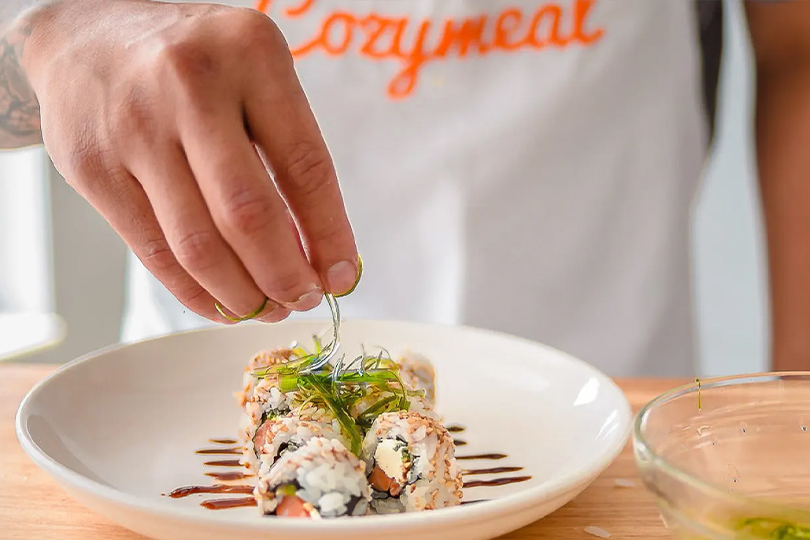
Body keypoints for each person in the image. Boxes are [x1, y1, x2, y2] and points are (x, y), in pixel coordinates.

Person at [1, 0, 808, 377]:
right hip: (200, 419)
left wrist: (796, 403)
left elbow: (797, 43)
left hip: (610, 393)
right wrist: (49, 39)